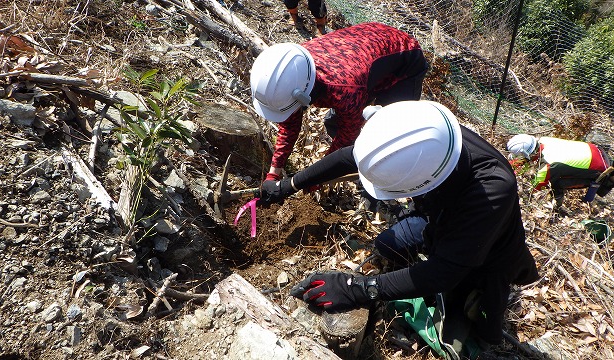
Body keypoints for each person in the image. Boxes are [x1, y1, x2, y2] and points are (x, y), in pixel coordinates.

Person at [258, 101, 539, 359]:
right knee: (386, 246)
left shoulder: (491, 190)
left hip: (489, 255)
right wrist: (289, 184)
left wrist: (357, 288)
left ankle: (486, 332)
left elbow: (443, 273)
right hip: (435, 223)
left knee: (479, 329)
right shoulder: (427, 133)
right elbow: (349, 157)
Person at [250, 22, 429, 183]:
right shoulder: (294, 68)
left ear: (303, 95)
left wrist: (314, 178)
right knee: (334, 122)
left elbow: (346, 137)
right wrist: (274, 172)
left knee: (386, 133)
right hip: (364, 52)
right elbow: (289, 124)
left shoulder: (344, 91)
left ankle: (378, 183)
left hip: (404, 60)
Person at [506, 134, 611, 206]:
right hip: (595, 149)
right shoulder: (544, 139)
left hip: (600, 169)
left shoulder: (547, 166)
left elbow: (535, 189)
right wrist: (511, 166)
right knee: (557, 171)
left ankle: (557, 205)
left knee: (555, 182)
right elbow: (529, 157)